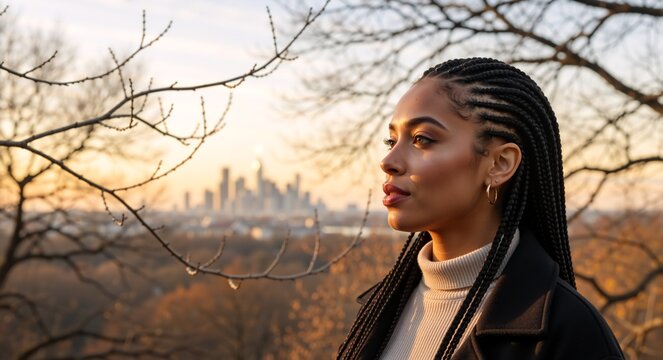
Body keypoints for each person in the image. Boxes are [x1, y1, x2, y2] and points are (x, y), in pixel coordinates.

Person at [336, 58, 625, 360]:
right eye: (391, 140)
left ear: (499, 164)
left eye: (422, 139)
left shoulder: (570, 332)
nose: (388, 161)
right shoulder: (379, 309)